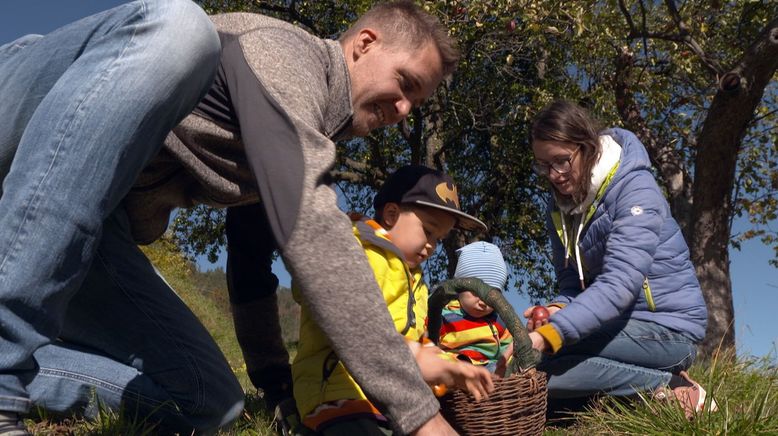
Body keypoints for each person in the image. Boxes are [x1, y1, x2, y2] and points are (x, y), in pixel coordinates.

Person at [0, 1, 465, 434]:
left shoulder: (297, 133)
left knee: (211, 401)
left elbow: (250, 259)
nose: (403, 111)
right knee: (182, 28)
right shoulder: (286, 56)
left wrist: (276, 383)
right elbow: (312, 230)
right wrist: (419, 413)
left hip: (90, 229)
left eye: (416, 104)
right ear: (366, 43)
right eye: (405, 84)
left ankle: (29, 370)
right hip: (20, 127)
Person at [523, 100, 716, 418]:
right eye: (543, 166)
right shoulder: (559, 208)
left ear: (587, 147)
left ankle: (670, 384)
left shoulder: (636, 190)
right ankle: (646, 392)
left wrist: (551, 334)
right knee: (541, 373)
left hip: (669, 332)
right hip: (616, 328)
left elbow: (620, 284)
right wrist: (556, 309)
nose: (554, 175)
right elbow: (572, 284)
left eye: (561, 161)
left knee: (549, 355)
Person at [291, 165, 493, 434]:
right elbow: (343, 317)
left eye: (439, 238)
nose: (432, 245)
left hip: (391, 401)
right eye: (428, 231)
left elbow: (417, 338)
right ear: (391, 214)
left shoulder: (415, 280)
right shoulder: (357, 252)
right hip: (341, 393)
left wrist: (451, 367)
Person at [437, 241, 513, 375]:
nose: (483, 302)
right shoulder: (443, 315)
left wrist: (509, 362)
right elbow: (428, 344)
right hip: (455, 369)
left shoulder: (498, 321)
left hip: (489, 369)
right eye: (476, 292)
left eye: (491, 296)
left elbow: (508, 349)